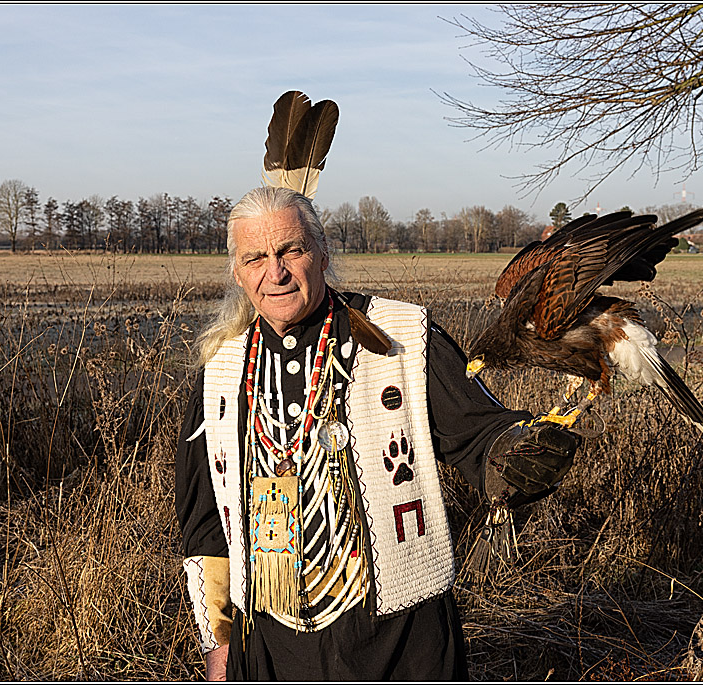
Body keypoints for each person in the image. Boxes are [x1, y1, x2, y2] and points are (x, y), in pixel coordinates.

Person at [175, 185, 579, 680]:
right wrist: (218, 641)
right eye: (255, 258)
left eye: (290, 250)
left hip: (398, 638)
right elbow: (205, 521)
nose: (274, 273)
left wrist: (517, 452)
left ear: (323, 254)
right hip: (271, 642)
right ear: (238, 273)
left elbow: (479, 431)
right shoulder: (221, 371)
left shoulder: (401, 338)